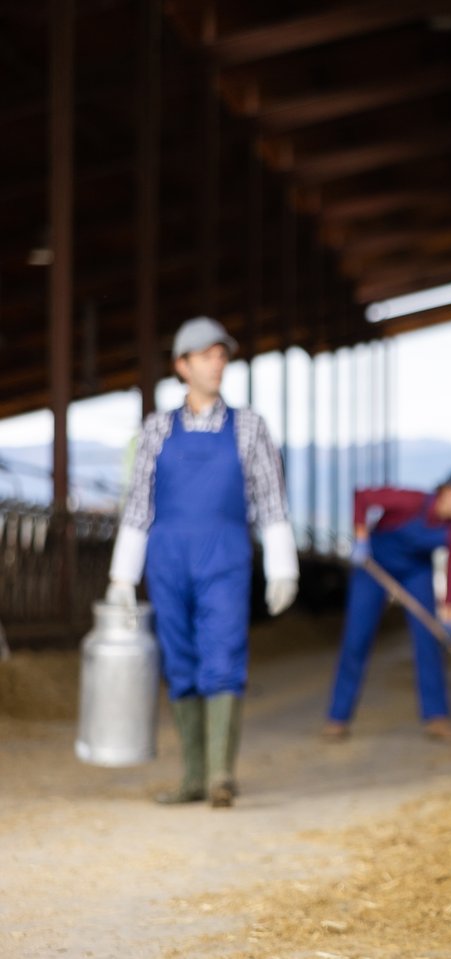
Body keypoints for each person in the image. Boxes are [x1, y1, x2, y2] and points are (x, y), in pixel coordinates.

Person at [106, 316, 299, 808]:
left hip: (225, 555)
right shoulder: (156, 429)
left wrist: (283, 566)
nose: (217, 363)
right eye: (206, 355)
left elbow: (271, 500)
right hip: (166, 556)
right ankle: (192, 776)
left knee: (224, 651)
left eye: (221, 354)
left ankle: (219, 775)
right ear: (182, 365)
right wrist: (122, 576)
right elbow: (138, 505)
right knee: (179, 657)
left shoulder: (250, 427)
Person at [323, 469, 451, 743]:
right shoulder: (412, 501)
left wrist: (448, 614)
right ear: (450, 491)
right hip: (373, 565)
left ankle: (436, 718)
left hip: (415, 572)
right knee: (356, 639)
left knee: (429, 639)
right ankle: (338, 718)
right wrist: (361, 538)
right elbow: (362, 496)